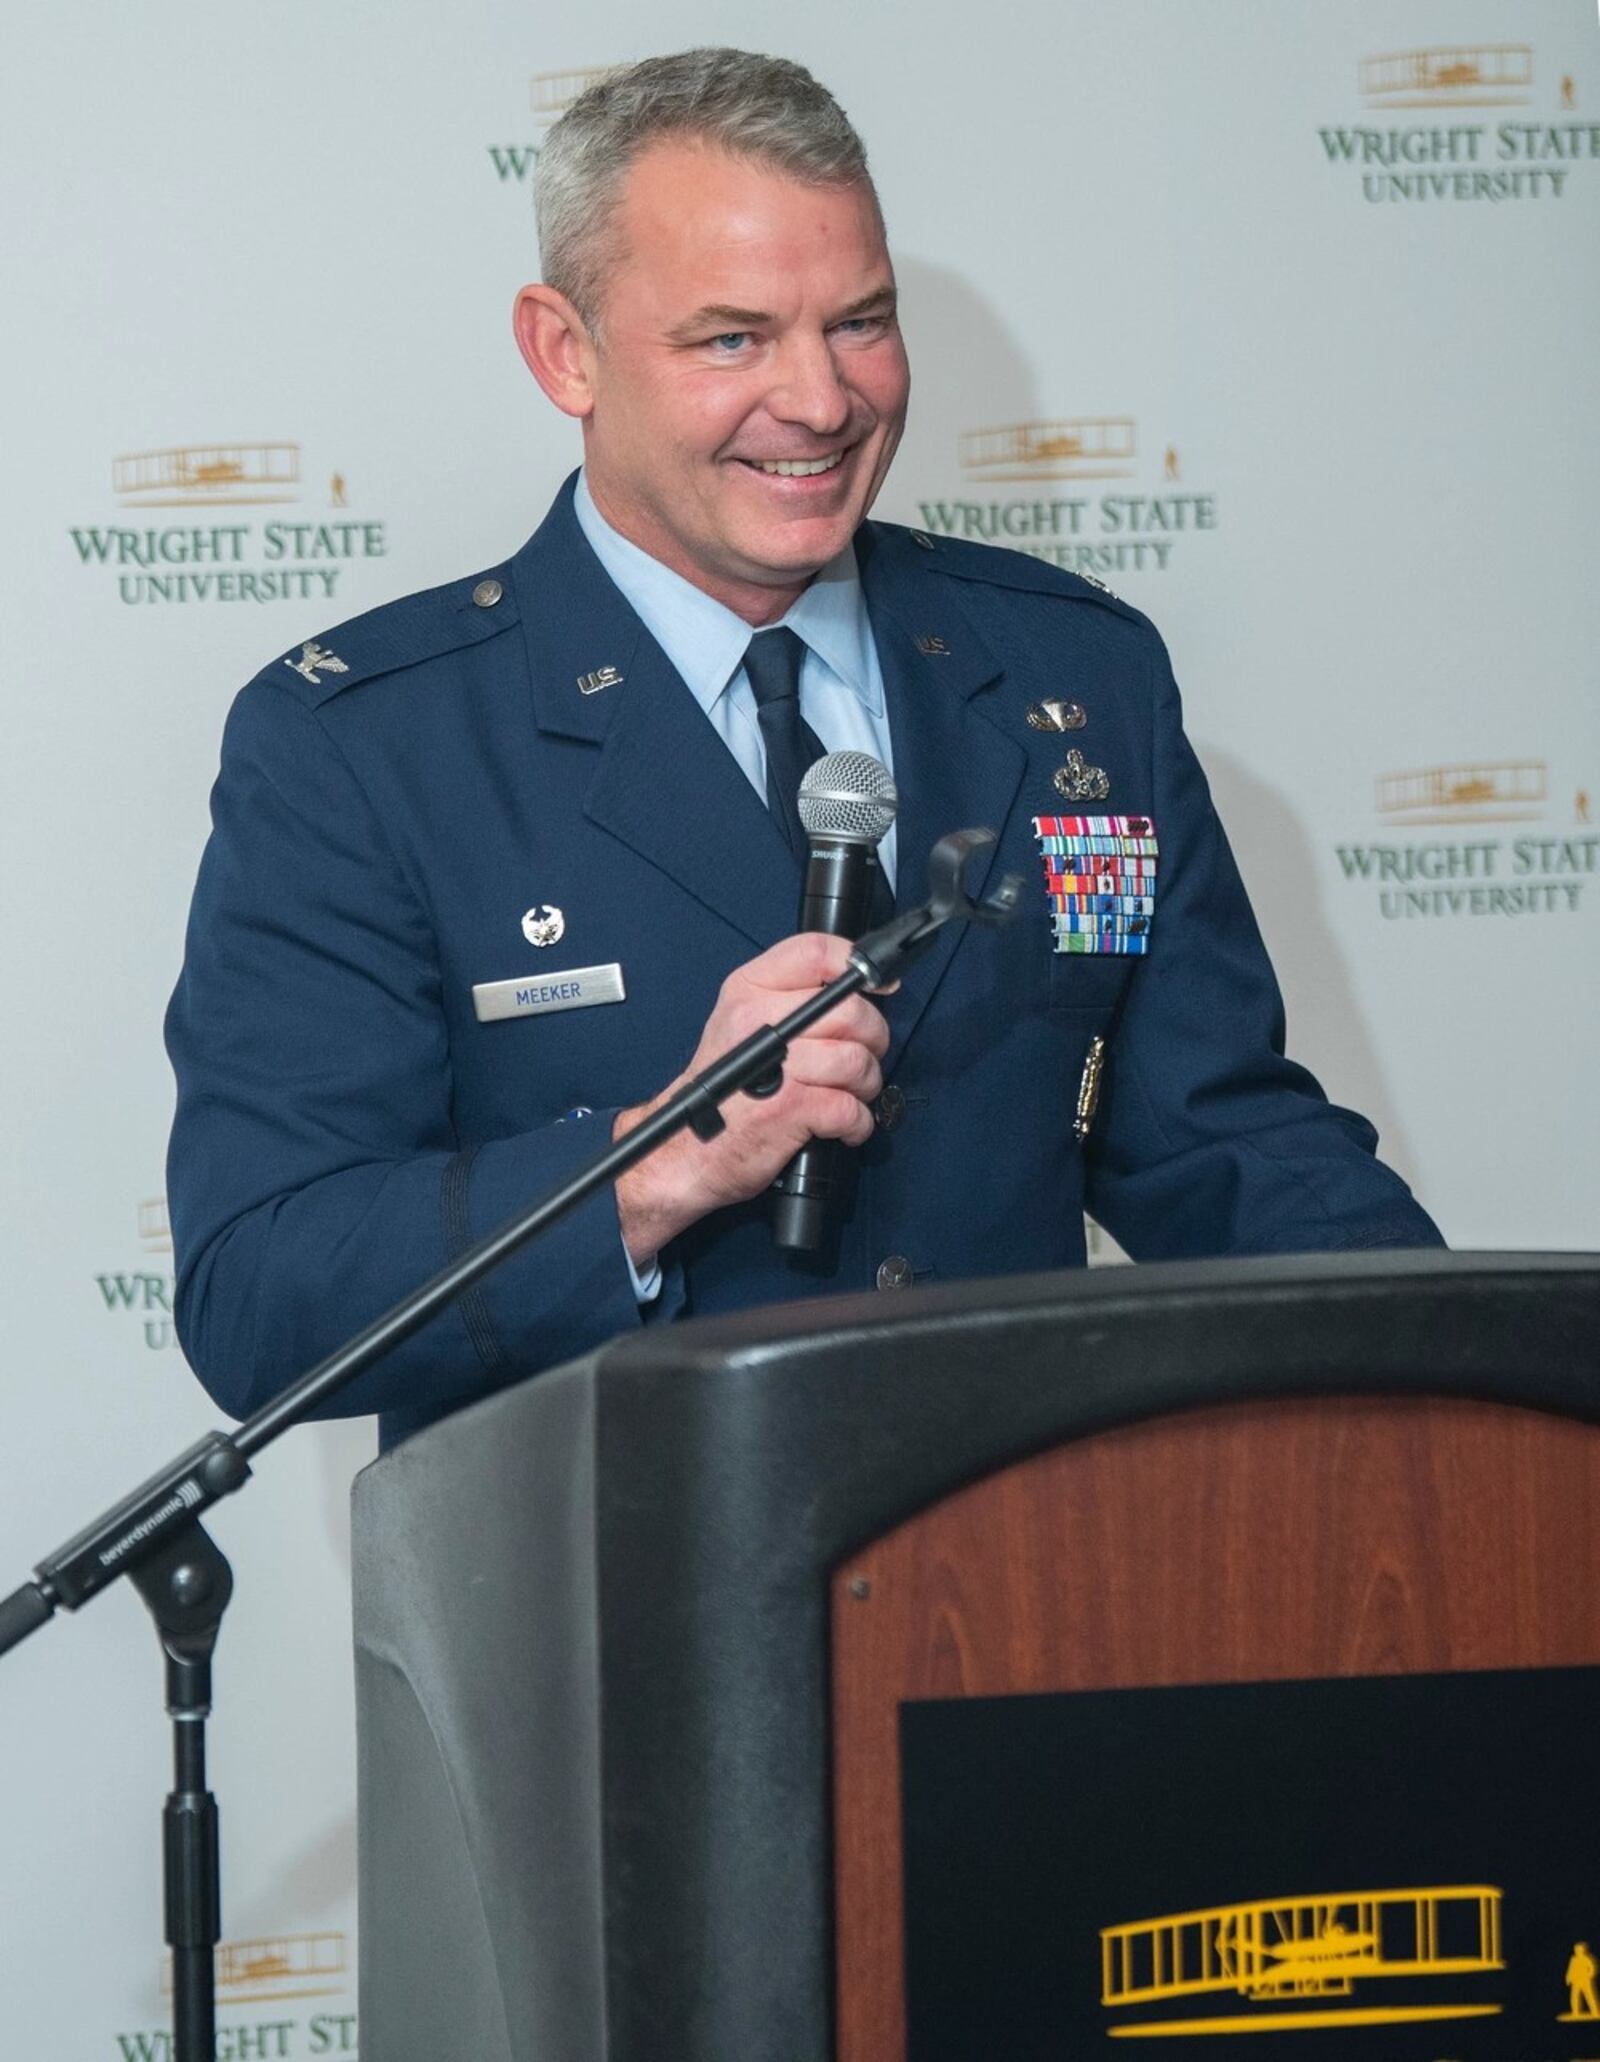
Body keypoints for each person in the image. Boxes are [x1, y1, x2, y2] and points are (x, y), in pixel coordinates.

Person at [165, 49, 1441, 1450]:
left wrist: (1487, 1377)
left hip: (1026, 1588)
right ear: (563, 350)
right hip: (612, 1615)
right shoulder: (364, 743)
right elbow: (261, 1288)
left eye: (861, 323)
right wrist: (656, 1163)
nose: (823, 401)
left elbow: (1218, 1143)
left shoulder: (1077, 678)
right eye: (732, 339)